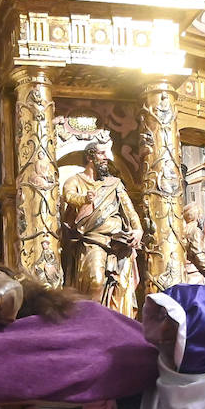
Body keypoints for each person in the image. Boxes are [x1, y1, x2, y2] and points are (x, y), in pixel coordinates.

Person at [60, 132, 143, 318]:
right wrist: (84, 199)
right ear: (90, 157)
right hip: (92, 240)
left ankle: (113, 324)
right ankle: (90, 324)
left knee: (120, 287)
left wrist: (137, 230)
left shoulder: (115, 184)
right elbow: (69, 196)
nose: (107, 158)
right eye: (102, 154)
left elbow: (129, 211)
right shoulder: (75, 180)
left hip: (118, 242)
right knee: (95, 281)